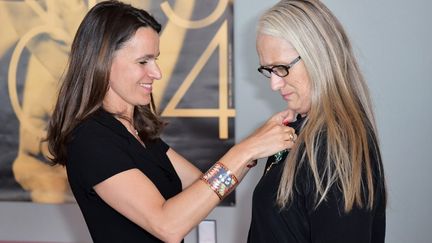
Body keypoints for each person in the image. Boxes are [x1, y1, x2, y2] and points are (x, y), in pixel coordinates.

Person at [46, 1, 296, 242]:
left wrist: (255, 146)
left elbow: (202, 187)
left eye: (155, 59)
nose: (157, 73)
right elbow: (168, 226)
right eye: (143, 61)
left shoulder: (137, 132)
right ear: (103, 61)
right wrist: (246, 150)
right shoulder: (91, 140)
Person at [248, 1, 387, 242]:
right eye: (268, 71)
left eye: (281, 68)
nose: (274, 84)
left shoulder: (334, 144)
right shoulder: (301, 130)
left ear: (318, 55)